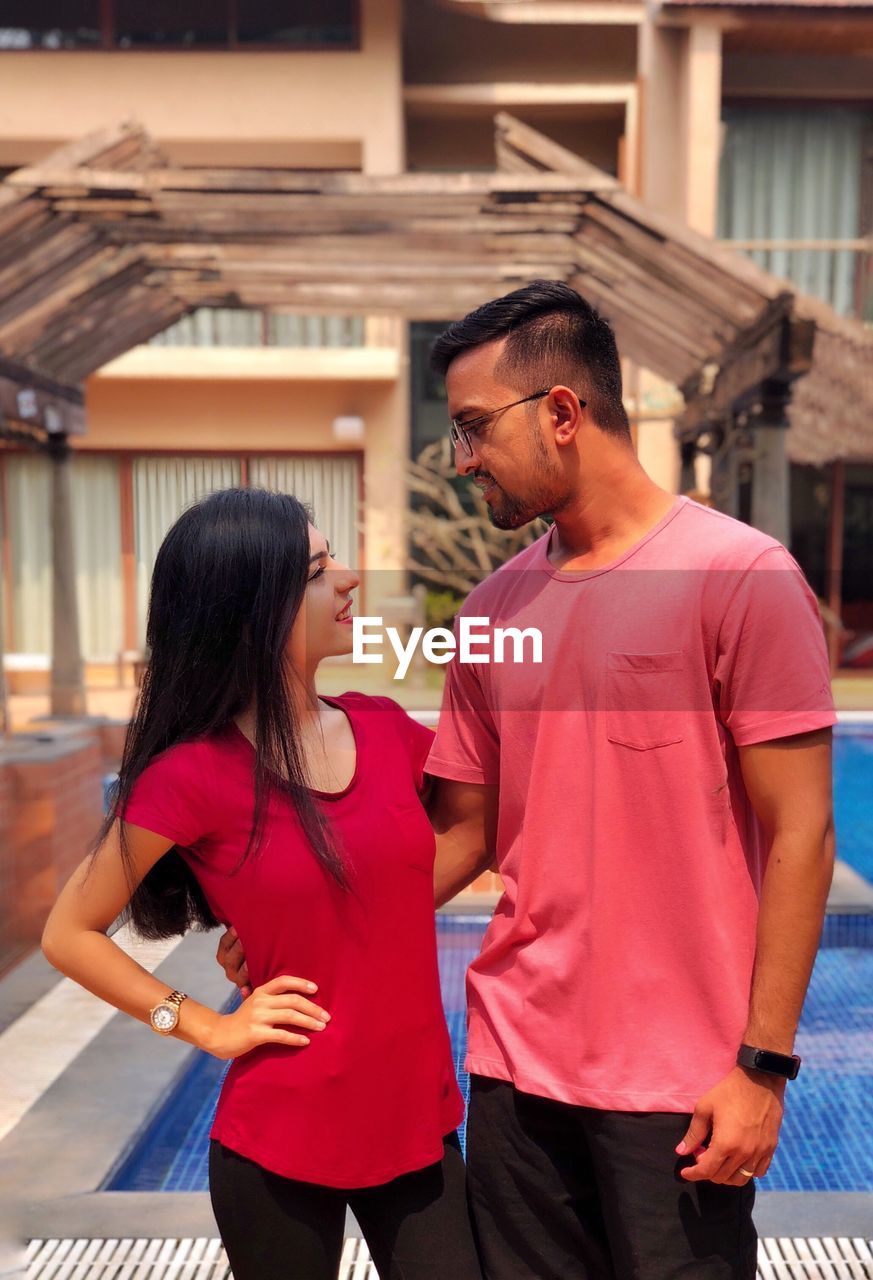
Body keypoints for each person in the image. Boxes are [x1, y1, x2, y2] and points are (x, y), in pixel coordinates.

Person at [221, 281, 835, 1279]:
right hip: (514, 1068)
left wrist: (762, 1066)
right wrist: (305, 926)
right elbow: (460, 832)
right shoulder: (493, 606)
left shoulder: (741, 576)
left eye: (472, 428)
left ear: (561, 411)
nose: (461, 459)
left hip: (678, 1081)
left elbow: (804, 834)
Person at [41, 488, 483, 1280]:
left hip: (418, 1130)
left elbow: (484, 823)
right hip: (276, 1142)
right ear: (252, 611)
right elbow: (67, 933)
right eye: (317, 569)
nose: (349, 578)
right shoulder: (190, 777)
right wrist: (202, 1026)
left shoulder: (386, 728)